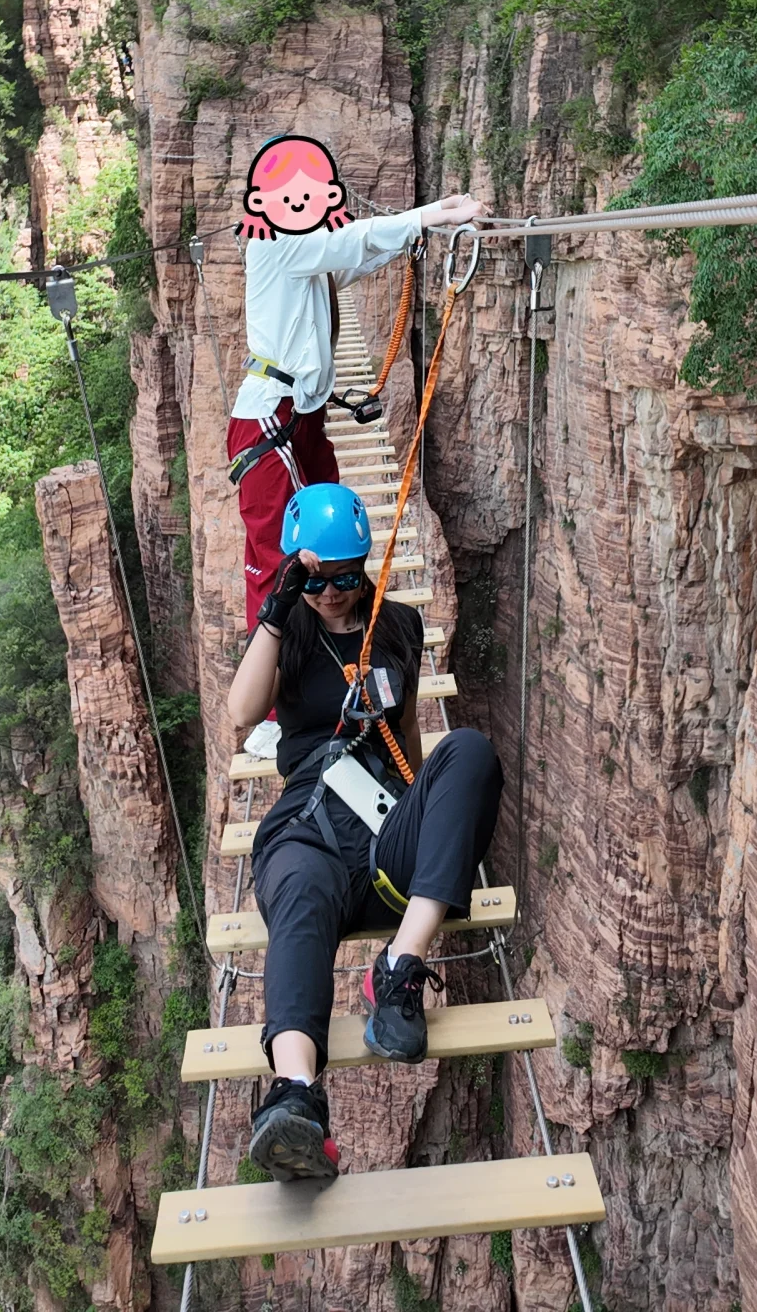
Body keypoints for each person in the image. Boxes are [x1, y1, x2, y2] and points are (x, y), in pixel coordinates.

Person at [227, 482, 504, 1182]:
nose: (332, 593)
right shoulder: (289, 631)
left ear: (367, 567)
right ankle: (295, 1096)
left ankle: (400, 968)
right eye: (318, 579)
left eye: (346, 578)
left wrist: (426, 819)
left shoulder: (400, 627)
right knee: (297, 896)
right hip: (311, 826)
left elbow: (409, 737)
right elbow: (241, 711)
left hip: (384, 827)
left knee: (468, 750)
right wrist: (278, 607)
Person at [226, 131, 483, 628]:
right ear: (261, 203)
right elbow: (349, 240)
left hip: (299, 414)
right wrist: (431, 215)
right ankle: (273, 685)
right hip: (268, 419)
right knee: (281, 550)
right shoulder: (276, 244)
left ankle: (339, 628)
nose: (301, 205)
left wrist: (414, 233)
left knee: (330, 521)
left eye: (313, 194)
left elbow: (352, 258)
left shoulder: (307, 258)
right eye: (290, 197)